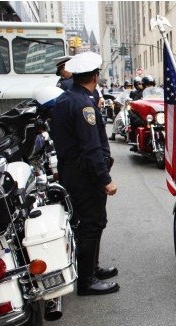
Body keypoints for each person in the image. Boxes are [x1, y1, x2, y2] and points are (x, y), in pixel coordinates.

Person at [49, 51, 120, 296]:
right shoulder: (83, 105)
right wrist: (105, 179)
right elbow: (91, 147)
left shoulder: (66, 98)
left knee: (88, 223)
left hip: (72, 170)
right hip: (85, 174)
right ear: (95, 77)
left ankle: (91, 268)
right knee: (91, 223)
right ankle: (87, 281)